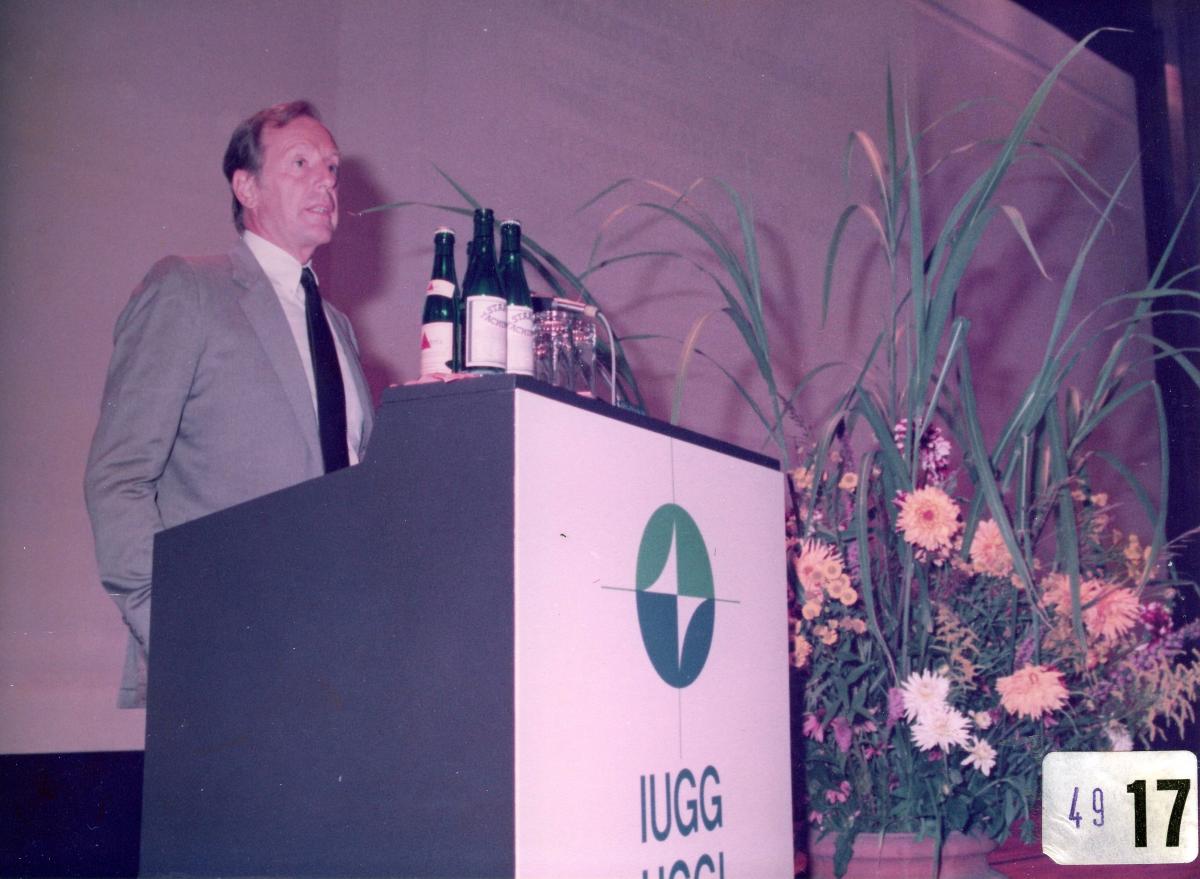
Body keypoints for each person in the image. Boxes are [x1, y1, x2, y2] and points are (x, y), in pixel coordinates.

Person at [84, 101, 374, 708]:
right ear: (247, 188)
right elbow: (119, 479)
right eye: (300, 163)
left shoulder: (339, 328)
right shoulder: (189, 289)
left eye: (331, 168)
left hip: (339, 651)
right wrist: (178, 632)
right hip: (225, 658)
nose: (325, 181)